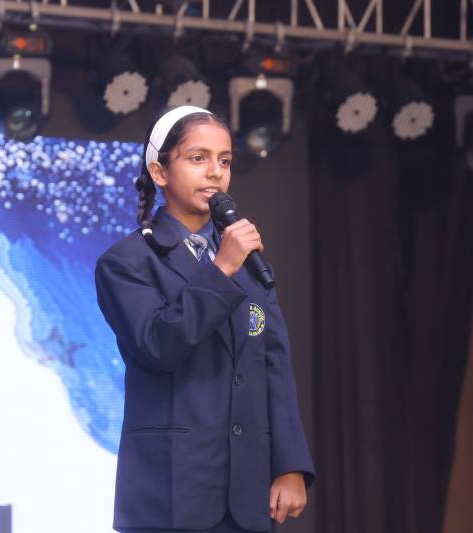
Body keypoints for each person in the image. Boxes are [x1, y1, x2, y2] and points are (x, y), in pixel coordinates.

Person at [95, 106, 315, 533]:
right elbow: (158, 346)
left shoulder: (248, 263)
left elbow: (273, 363)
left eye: (225, 160)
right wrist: (221, 269)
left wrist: (290, 465)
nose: (215, 172)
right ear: (160, 171)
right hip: (171, 493)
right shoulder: (126, 262)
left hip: (248, 494)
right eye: (198, 158)